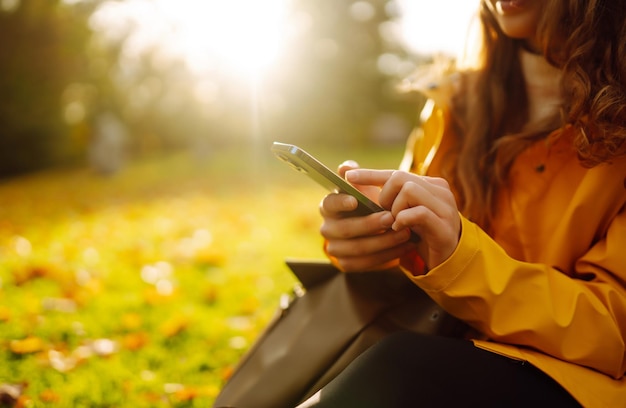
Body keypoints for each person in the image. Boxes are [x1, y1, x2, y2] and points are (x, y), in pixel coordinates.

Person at [299, 0, 626, 406]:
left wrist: (460, 258)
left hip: (575, 383)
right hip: (440, 351)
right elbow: (418, 261)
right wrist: (367, 241)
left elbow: (617, 332)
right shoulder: (450, 103)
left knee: (400, 368)